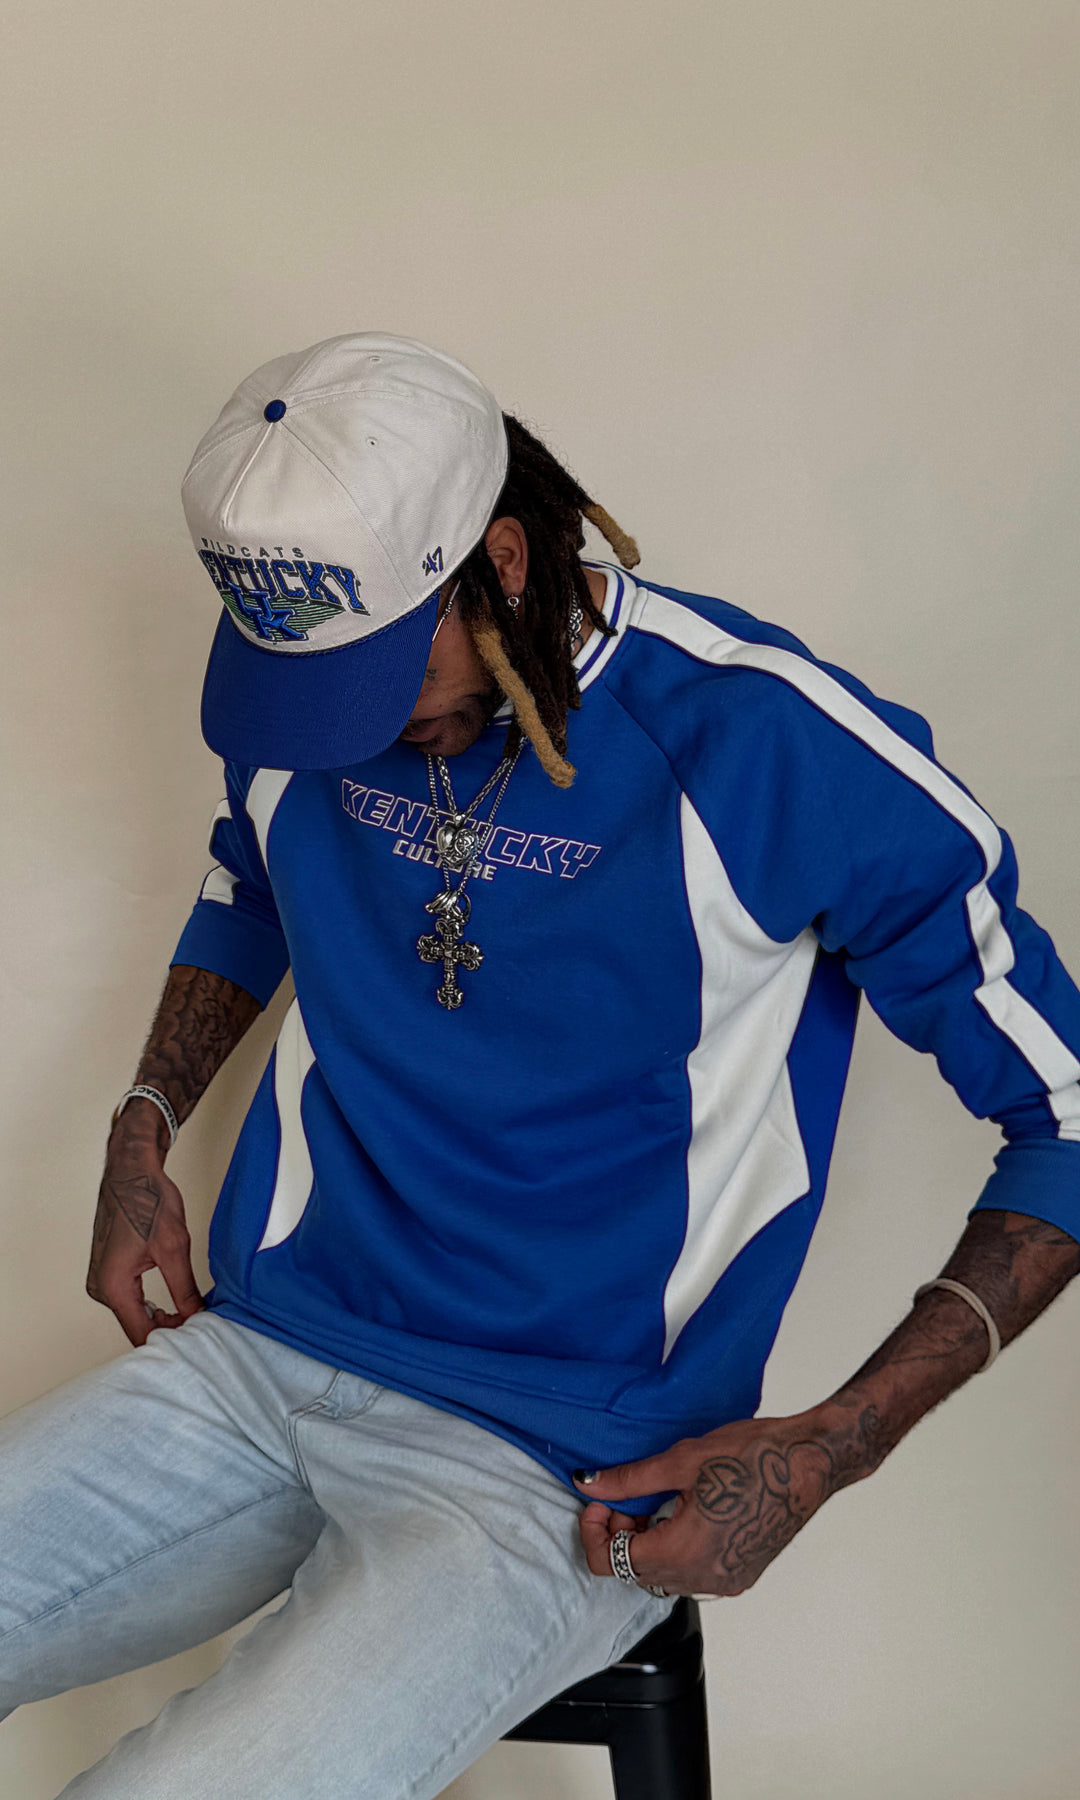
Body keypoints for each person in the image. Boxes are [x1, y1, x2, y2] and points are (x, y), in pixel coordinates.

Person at [3, 331, 1079, 1799]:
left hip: (557, 1464)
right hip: (256, 1353)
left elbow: (1064, 1115)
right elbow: (253, 878)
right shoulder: (296, 700)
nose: (351, 729)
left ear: (502, 562)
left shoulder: (761, 743)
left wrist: (833, 1447)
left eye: (380, 674)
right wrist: (144, 1127)